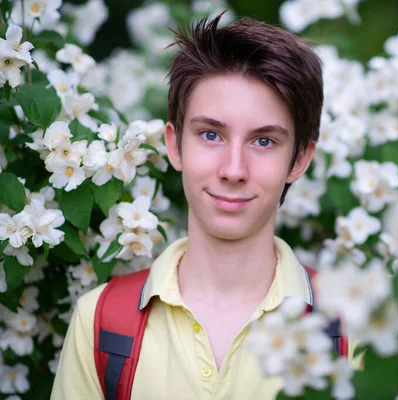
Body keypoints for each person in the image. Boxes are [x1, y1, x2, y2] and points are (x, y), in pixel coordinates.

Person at [51, 12, 359, 400]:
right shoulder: (99, 321)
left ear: (299, 159)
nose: (233, 170)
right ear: (175, 145)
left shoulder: (351, 328)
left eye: (263, 141)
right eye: (211, 134)